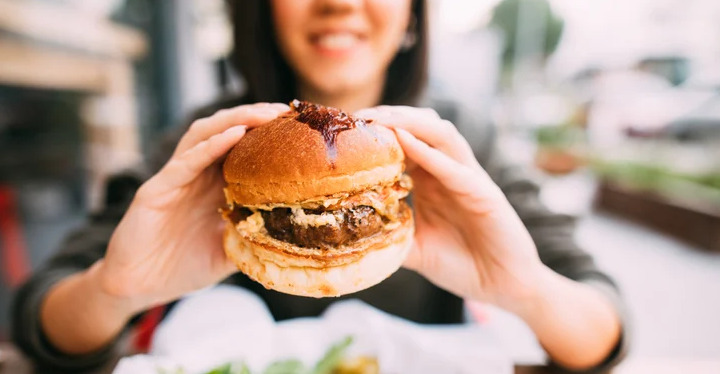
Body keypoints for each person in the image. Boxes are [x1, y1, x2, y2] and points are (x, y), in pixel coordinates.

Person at [12, 0, 627, 372]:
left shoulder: (457, 144)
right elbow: (39, 321)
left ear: (412, 12)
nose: (338, 2)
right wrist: (117, 290)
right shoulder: (207, 148)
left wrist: (524, 290)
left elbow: (605, 328)